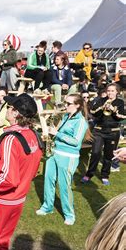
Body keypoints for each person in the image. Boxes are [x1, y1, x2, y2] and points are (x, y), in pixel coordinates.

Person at [0, 93, 43, 250]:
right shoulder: (34, 135)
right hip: (18, 201)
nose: (6, 109)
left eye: (10, 107)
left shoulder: (11, 139)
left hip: (1, 201)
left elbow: (9, 179)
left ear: (16, 113)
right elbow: (29, 170)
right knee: (2, 243)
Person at [36, 94, 91, 225]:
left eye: (68, 104)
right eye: (65, 103)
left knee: (64, 186)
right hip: (54, 153)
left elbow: (76, 142)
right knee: (48, 180)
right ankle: (47, 207)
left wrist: (57, 133)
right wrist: (52, 134)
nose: (65, 106)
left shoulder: (81, 121)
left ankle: (69, 214)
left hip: (68, 157)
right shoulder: (66, 116)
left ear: (77, 105)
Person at [82, 83, 125, 185]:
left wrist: (114, 110)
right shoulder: (101, 100)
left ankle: (105, 175)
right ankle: (89, 174)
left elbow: (122, 116)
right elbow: (92, 111)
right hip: (99, 130)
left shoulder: (120, 102)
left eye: (112, 91)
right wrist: (102, 107)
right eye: (108, 90)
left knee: (108, 155)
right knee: (95, 153)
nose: (110, 93)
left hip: (113, 131)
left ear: (117, 92)